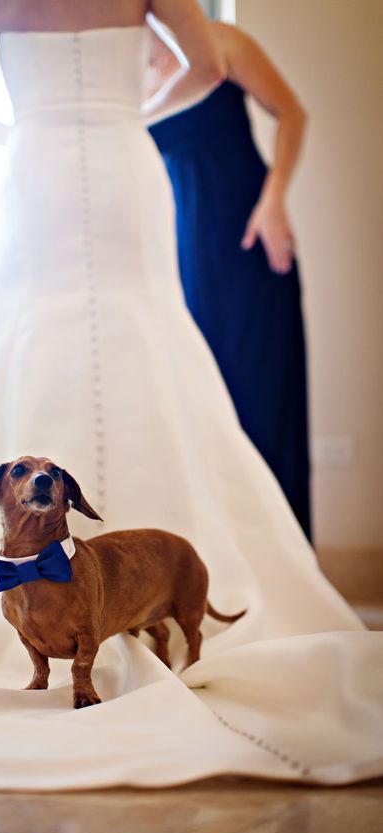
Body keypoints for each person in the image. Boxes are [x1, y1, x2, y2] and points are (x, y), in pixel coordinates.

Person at [0, 0, 381, 791]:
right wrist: (119, 115)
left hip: (34, 162)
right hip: (123, 158)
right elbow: (206, 66)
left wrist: (37, 129)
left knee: (29, 319)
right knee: (145, 319)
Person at [147, 21, 312, 539]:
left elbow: (291, 112)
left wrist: (274, 200)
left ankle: (283, 561)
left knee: (264, 401)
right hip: (182, 259)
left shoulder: (222, 42)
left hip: (250, 244)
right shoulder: (122, 75)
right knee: (202, 413)